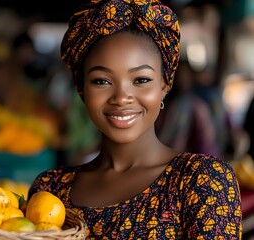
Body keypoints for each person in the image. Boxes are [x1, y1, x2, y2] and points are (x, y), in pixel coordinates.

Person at [27, 0, 242, 239]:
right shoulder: (50, 190)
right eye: (102, 81)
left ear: (164, 84)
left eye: (141, 80)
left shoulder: (202, 181)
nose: (121, 98)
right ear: (81, 90)